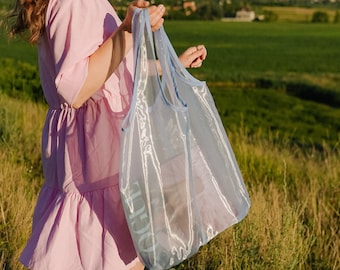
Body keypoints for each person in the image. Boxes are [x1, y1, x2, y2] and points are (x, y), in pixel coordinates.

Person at [9, 0, 207, 269]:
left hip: (102, 155)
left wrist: (172, 66)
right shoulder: (73, 3)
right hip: (94, 158)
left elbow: (113, 73)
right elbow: (76, 88)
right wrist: (127, 30)